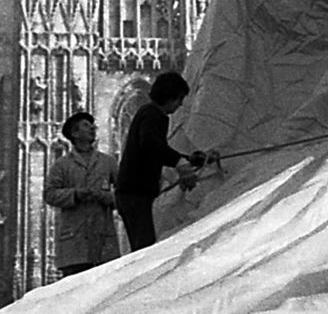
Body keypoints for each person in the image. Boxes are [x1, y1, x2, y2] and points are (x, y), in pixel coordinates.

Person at [112, 71, 214, 251]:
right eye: (179, 98)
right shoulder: (153, 114)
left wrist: (187, 159)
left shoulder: (150, 113)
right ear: (170, 96)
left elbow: (155, 148)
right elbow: (150, 144)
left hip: (134, 193)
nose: (181, 104)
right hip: (135, 194)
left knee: (144, 246)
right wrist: (179, 162)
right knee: (144, 249)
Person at [41, 111, 120, 278]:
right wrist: (75, 194)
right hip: (74, 243)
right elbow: (49, 194)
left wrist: (108, 198)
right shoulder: (62, 165)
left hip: (103, 240)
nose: (92, 128)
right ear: (75, 134)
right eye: (86, 126)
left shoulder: (108, 162)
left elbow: (125, 193)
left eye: (92, 126)